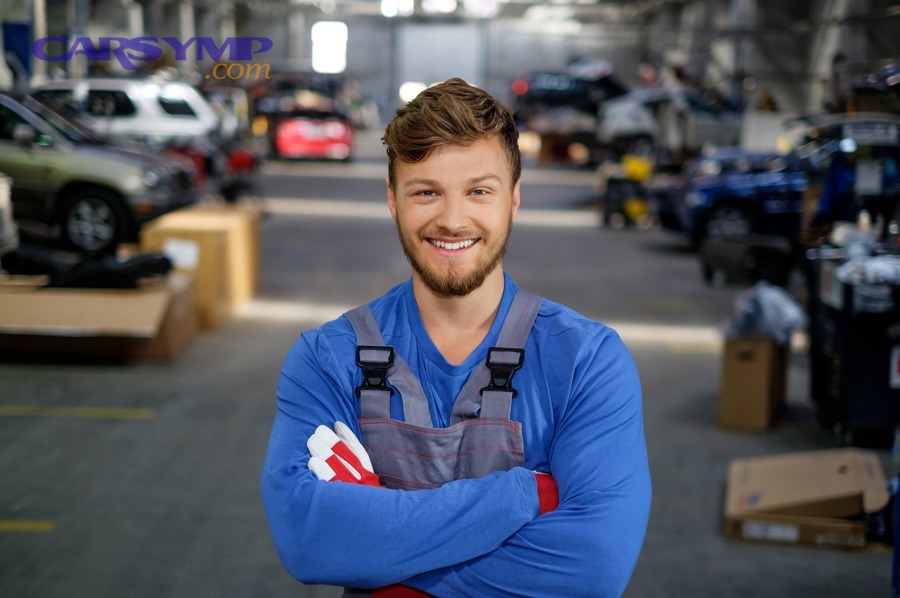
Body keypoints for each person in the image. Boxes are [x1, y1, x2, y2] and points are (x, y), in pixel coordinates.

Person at [261, 77, 651, 597]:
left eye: (478, 191)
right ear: (393, 200)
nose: (451, 219)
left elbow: (593, 567)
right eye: (426, 191)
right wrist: (521, 496)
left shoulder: (586, 361)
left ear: (513, 199)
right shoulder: (328, 359)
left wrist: (385, 566)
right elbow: (309, 540)